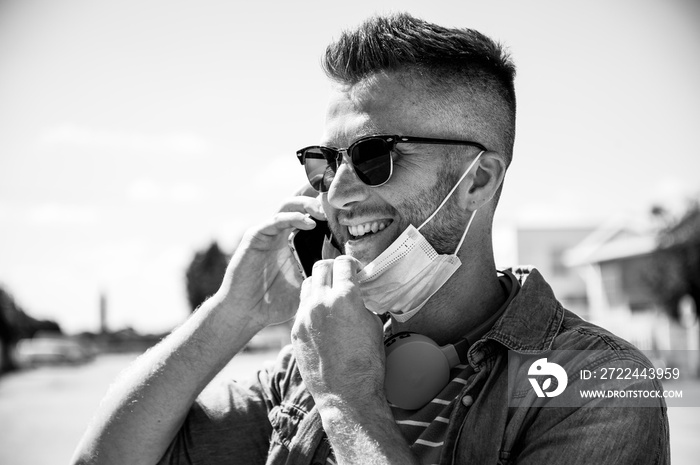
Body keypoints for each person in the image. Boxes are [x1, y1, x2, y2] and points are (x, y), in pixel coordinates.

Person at [72, 13, 670, 465]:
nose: (336, 194)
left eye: (375, 156)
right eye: (324, 163)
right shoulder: (312, 358)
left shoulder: (598, 383)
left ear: (478, 180)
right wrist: (235, 313)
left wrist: (348, 400)